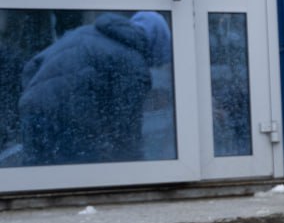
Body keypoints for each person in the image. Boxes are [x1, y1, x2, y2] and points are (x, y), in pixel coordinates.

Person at [19, 10, 172, 166]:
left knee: (38, 179)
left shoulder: (86, 32)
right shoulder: (132, 61)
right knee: (80, 181)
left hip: (32, 114)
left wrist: (33, 101)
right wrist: (137, 167)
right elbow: (126, 128)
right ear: (155, 45)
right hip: (69, 125)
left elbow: (31, 67)